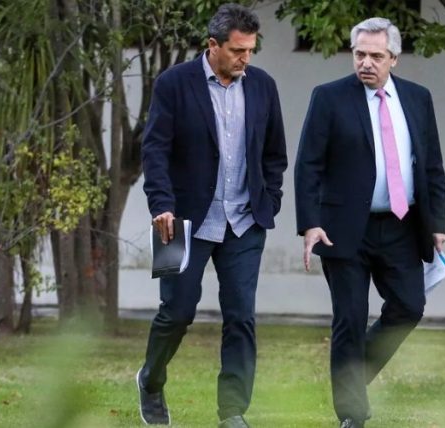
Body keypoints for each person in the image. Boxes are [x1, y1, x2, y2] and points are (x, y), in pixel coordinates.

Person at [294, 17, 445, 428]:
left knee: (409, 307)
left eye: (376, 56)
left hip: (402, 225)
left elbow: (431, 164)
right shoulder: (329, 98)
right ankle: (352, 415)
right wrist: (309, 223)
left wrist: (438, 222)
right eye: (359, 54)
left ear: (393, 58)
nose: (366, 62)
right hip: (342, 228)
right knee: (350, 318)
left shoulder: (417, 98)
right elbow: (308, 165)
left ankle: (351, 377)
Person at [137, 3, 287, 427]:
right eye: (238, 50)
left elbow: (275, 153)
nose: (245, 58)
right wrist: (161, 205)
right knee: (177, 312)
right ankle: (151, 380)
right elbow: (155, 149)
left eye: (251, 50)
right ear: (213, 45)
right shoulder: (173, 83)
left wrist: (269, 200)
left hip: (245, 223)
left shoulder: (263, 86)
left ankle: (232, 412)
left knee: (240, 317)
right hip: (179, 222)